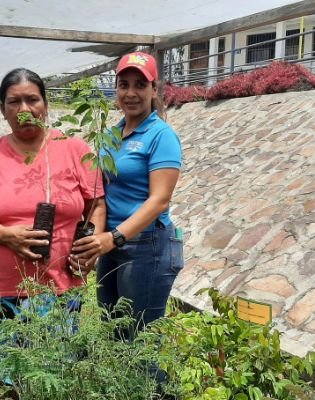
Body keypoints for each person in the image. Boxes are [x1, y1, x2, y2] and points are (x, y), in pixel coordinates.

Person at [0, 68, 105, 376]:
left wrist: (92, 246)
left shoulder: (74, 149)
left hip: (61, 283)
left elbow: (96, 203)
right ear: (2, 109)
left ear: (45, 105)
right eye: (14, 102)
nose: (24, 109)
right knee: (4, 373)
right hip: (2, 286)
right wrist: (5, 235)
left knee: (55, 375)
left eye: (32, 100)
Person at [71, 51, 184, 338]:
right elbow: (100, 194)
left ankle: (156, 386)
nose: (131, 93)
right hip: (111, 243)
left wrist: (114, 237)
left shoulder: (161, 136)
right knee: (114, 332)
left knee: (141, 341)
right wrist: (94, 240)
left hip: (148, 246)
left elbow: (159, 200)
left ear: (154, 90)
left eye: (140, 85)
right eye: (124, 85)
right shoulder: (110, 136)